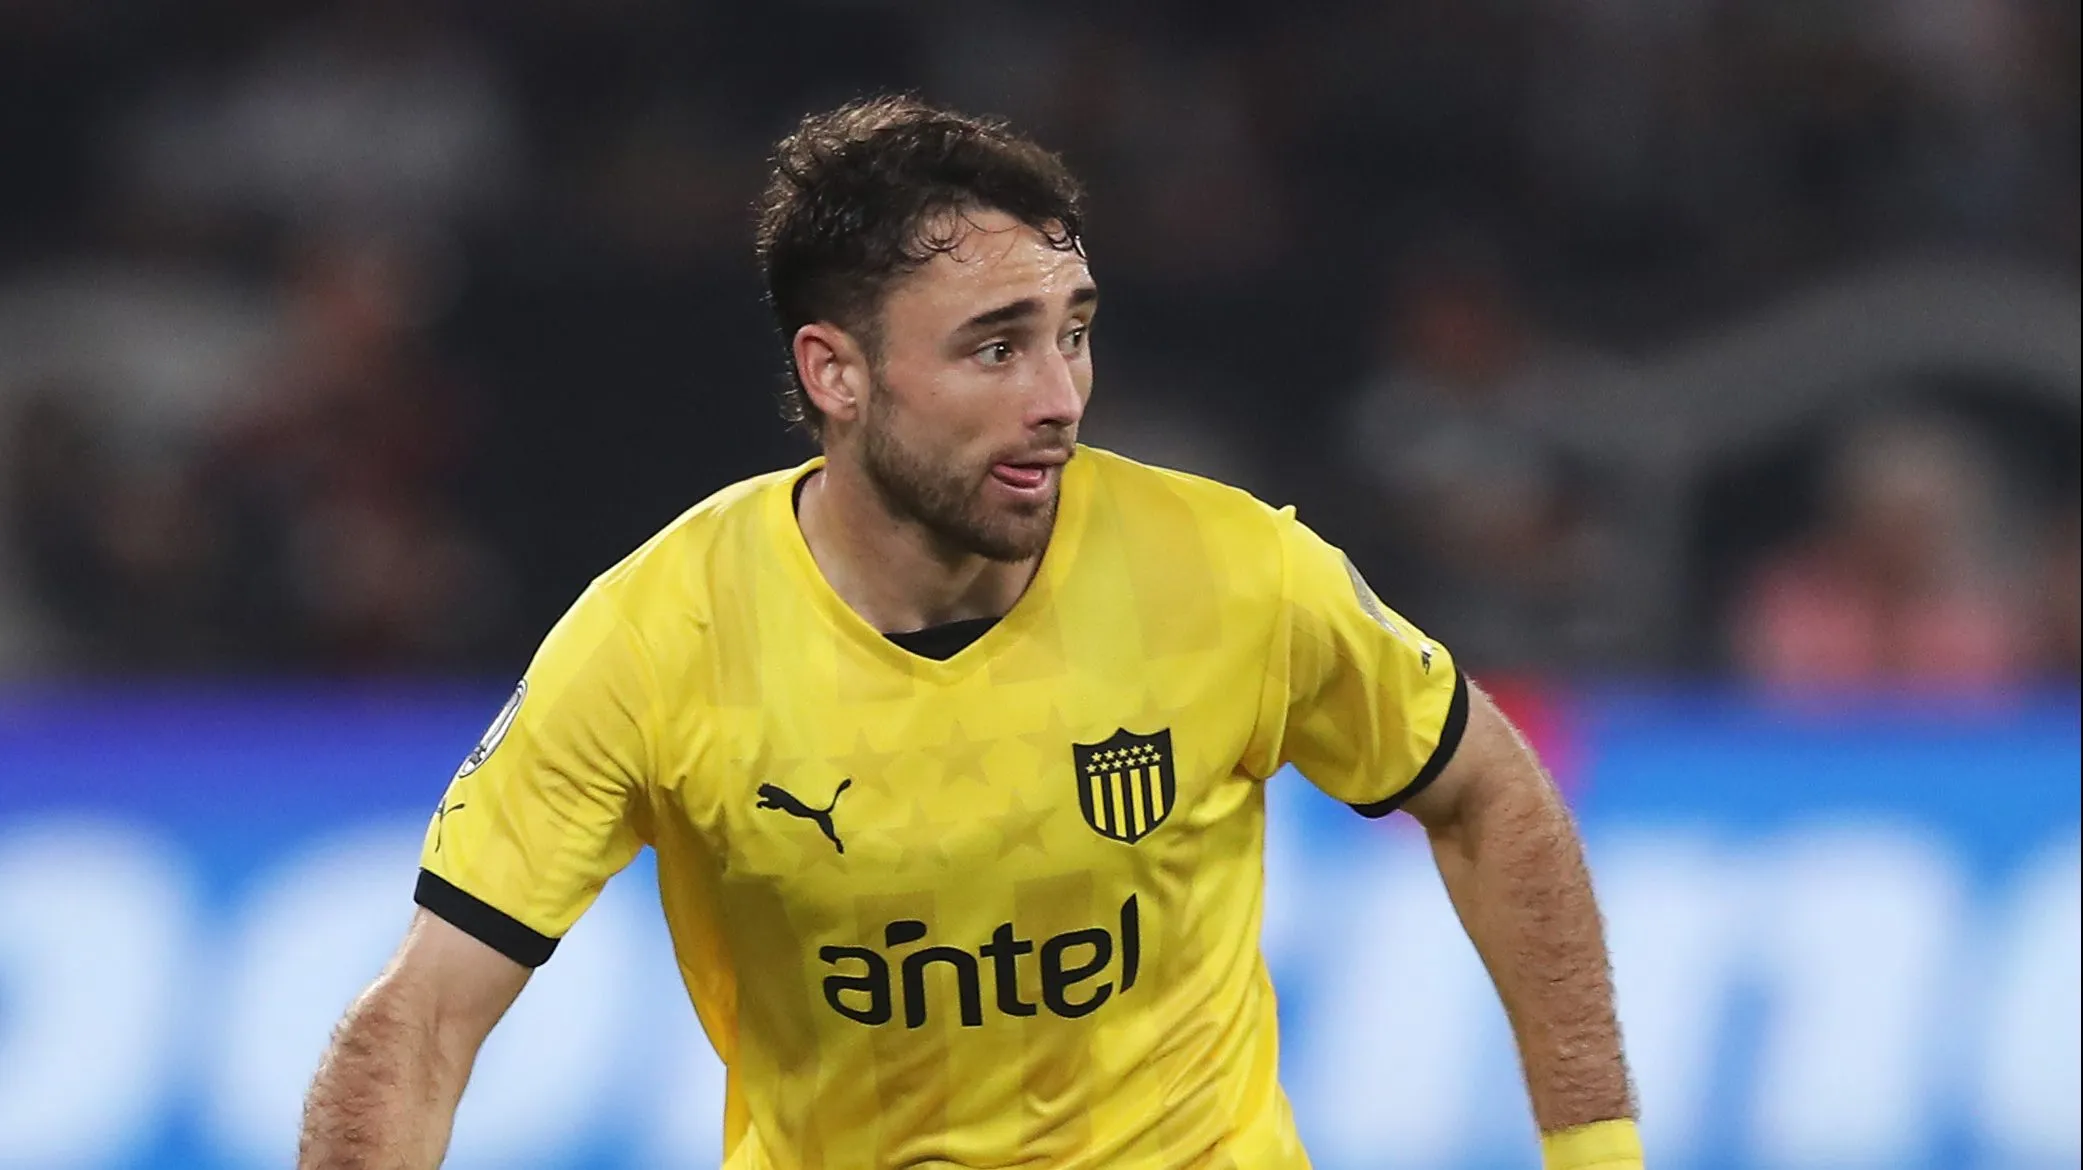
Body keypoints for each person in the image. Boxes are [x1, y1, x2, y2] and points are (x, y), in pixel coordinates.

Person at [297, 96, 1641, 1170]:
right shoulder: (660, 637)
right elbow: (416, 1023)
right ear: (837, 371)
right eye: (996, 346)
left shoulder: (1231, 572)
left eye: (1074, 332)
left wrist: (1595, 1153)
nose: (1060, 395)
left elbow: (1487, 794)